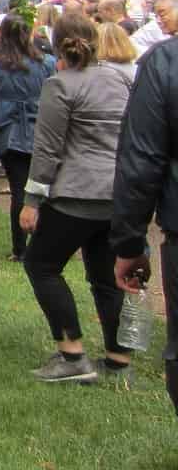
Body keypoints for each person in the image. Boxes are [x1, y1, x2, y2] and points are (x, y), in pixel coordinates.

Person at [20, 12, 133, 384]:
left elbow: (48, 149)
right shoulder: (120, 79)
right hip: (118, 193)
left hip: (76, 194)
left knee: (41, 264)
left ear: (57, 44)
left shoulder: (61, 85)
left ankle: (72, 354)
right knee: (105, 274)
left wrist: (32, 200)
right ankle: (118, 357)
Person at [111, 34, 178, 413]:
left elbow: (141, 161)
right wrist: (130, 242)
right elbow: (141, 162)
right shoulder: (164, 62)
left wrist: (129, 245)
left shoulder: (167, 61)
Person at [0, 14, 55, 261]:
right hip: (40, 131)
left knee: (18, 191)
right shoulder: (46, 64)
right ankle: (42, 245)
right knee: (41, 189)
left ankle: (21, 249)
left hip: (10, 132)